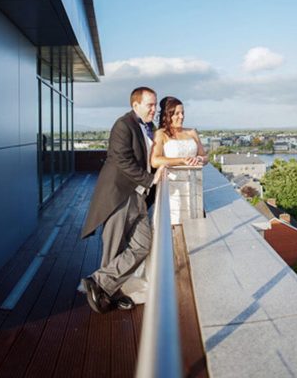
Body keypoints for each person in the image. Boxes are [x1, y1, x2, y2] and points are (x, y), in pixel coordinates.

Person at [81, 87, 165, 313]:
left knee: (143, 245)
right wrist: (150, 179)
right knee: (114, 248)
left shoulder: (150, 128)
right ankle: (106, 296)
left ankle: (99, 282)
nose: (154, 109)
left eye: (155, 105)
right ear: (135, 105)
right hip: (120, 195)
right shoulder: (123, 125)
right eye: (150, 105)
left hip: (139, 196)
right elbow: (121, 160)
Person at [150, 96, 207, 224]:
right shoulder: (161, 134)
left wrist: (198, 159)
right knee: (173, 224)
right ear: (167, 115)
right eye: (177, 113)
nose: (181, 117)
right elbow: (155, 160)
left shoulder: (192, 132)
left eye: (182, 113)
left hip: (193, 186)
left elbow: (205, 157)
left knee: (195, 224)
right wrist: (182, 160)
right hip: (172, 187)